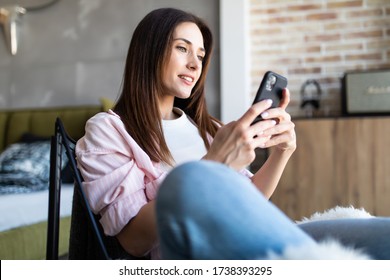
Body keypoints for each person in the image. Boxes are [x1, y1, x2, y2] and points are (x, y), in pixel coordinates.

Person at [76, 7, 390, 260]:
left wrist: (282, 153)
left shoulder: (209, 128)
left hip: (255, 235)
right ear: (149, 52)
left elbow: (247, 200)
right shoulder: (109, 129)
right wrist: (214, 165)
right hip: (207, 255)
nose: (194, 63)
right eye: (182, 48)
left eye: (199, 55)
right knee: (187, 180)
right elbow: (132, 241)